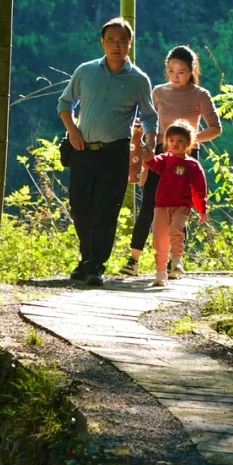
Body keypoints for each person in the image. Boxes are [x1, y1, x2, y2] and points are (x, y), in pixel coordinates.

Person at [58, 18, 157, 284]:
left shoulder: (139, 80)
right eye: (111, 40)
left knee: (106, 209)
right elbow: (65, 103)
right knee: (80, 207)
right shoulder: (86, 71)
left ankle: (96, 265)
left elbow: (149, 116)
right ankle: (86, 257)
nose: (117, 46)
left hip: (115, 152)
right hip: (82, 149)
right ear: (103, 42)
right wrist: (73, 131)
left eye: (122, 41)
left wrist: (150, 139)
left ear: (130, 43)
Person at [119, 44, 221, 278]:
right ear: (166, 70)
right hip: (159, 155)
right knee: (149, 206)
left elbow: (215, 128)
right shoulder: (158, 92)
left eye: (182, 72)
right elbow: (147, 121)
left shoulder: (200, 95)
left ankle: (175, 262)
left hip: (186, 158)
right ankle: (134, 260)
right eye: (172, 71)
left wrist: (190, 141)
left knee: (178, 208)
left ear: (192, 70)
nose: (176, 76)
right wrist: (145, 144)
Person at [147, 120, 208, 287]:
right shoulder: (165, 160)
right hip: (161, 206)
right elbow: (151, 162)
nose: (175, 144)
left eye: (180, 141)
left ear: (188, 144)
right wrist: (142, 145)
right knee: (160, 240)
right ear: (166, 142)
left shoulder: (192, 165)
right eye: (171, 140)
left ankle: (177, 260)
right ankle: (161, 274)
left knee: (176, 229)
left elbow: (199, 189)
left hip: (182, 206)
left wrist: (202, 208)